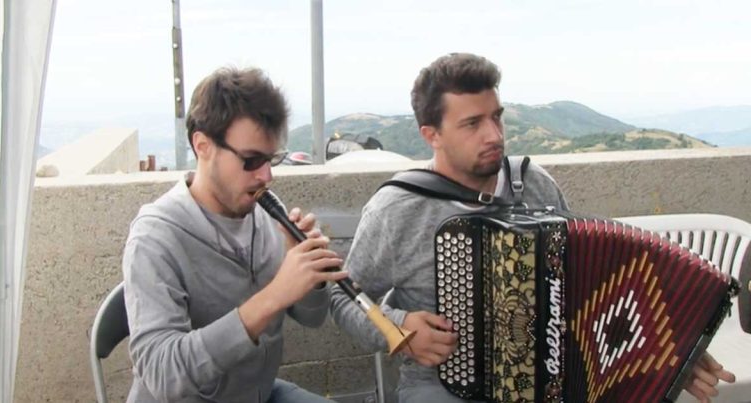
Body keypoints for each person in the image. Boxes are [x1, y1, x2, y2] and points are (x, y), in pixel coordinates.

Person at [329, 52, 735, 403]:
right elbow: (344, 296)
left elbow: (590, 284)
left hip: (557, 376)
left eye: (497, 117)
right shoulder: (398, 208)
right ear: (431, 135)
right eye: (473, 124)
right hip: (444, 386)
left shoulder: (533, 182)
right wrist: (397, 328)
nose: (494, 135)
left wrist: (675, 350)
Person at [122, 66, 348, 403]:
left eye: (271, 159)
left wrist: (308, 276)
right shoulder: (155, 238)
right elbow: (163, 375)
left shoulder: (264, 213)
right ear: (203, 146)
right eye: (251, 160)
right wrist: (273, 295)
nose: (266, 175)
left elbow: (312, 318)